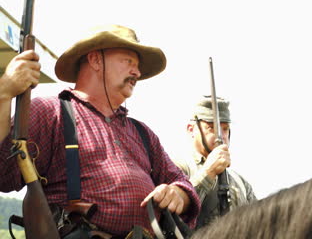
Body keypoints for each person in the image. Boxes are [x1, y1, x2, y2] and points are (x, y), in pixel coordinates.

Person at [0, 25, 200, 238]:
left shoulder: (142, 133)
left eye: (138, 66)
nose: (137, 72)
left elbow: (182, 181)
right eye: (128, 61)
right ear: (95, 60)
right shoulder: (52, 112)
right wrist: (5, 93)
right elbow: (4, 173)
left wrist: (179, 193)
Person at [174, 95, 256, 229]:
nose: (221, 136)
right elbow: (171, 217)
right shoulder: (177, 167)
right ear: (191, 129)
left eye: (225, 128)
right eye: (212, 127)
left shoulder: (241, 182)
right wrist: (209, 172)